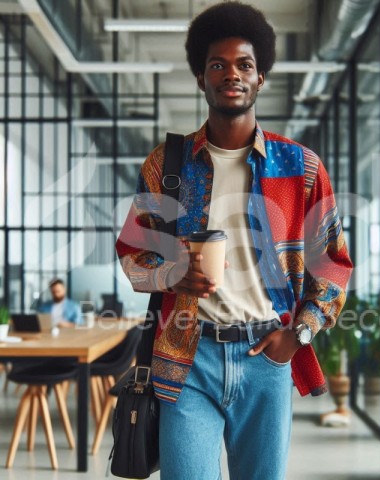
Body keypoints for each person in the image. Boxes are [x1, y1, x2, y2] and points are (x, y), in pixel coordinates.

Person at [116, 2, 353, 479]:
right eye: (217, 65)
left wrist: (300, 334)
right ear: (201, 78)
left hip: (266, 356)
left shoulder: (300, 167)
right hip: (187, 358)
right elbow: (132, 253)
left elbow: (332, 264)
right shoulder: (168, 166)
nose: (232, 74)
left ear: (260, 77)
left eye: (244, 64)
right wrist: (173, 272)